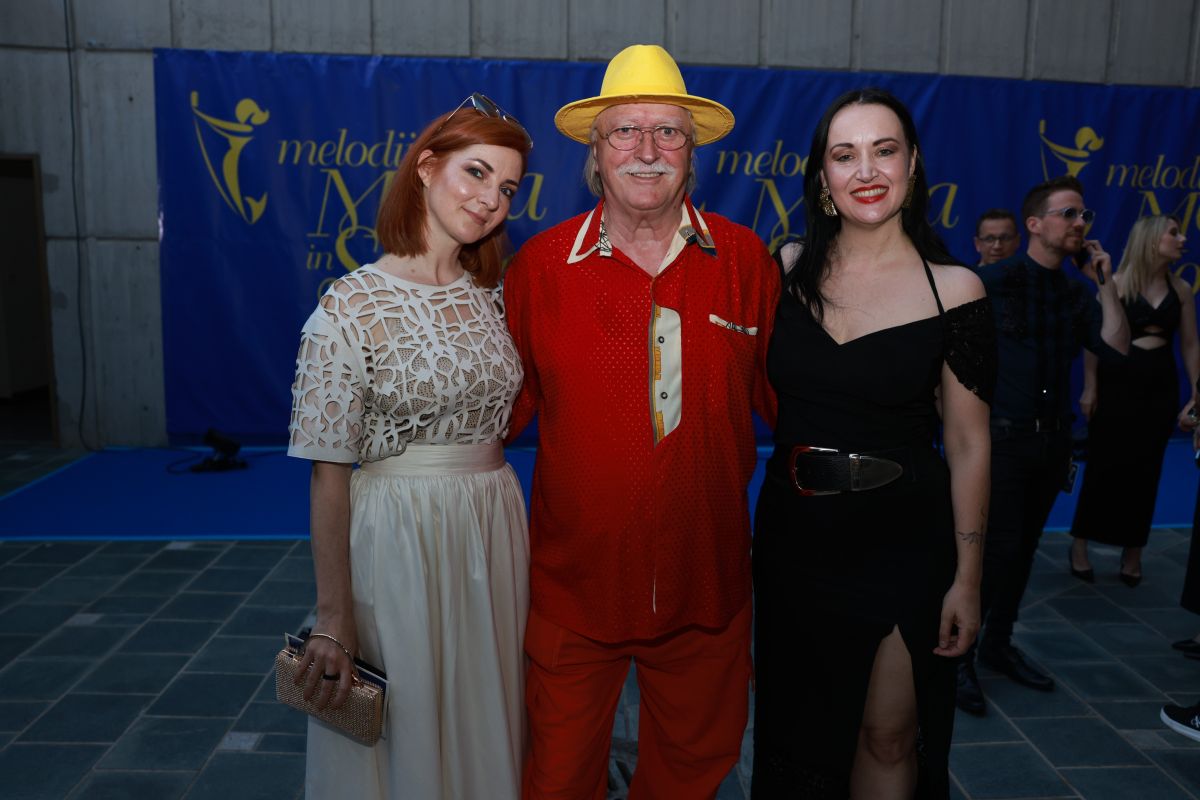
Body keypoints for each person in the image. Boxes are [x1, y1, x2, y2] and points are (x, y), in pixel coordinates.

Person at [503, 44, 778, 798]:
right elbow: (493, 417)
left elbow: (798, 402)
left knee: (693, 774)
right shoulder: (540, 268)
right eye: (625, 130)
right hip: (575, 592)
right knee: (555, 781)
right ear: (595, 152)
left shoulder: (745, 261)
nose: (647, 150)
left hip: (706, 589)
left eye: (668, 132)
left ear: (692, 153)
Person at [286, 94, 533, 800]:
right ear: (426, 167)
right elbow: (328, 474)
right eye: (476, 172)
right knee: (410, 724)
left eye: (507, 188)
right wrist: (334, 616)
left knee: (485, 716)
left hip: (492, 530)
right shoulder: (349, 307)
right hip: (399, 540)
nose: (490, 199)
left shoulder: (494, 296)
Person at [751, 87, 994, 799]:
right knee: (801, 733)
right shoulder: (784, 269)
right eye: (844, 154)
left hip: (903, 539)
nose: (866, 170)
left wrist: (969, 580)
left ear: (912, 165)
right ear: (822, 175)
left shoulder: (956, 290)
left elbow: (969, 443)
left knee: (889, 734)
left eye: (884, 150)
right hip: (796, 538)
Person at [957, 175, 1130, 717]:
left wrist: (1105, 283)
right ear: (1035, 224)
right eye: (1069, 214)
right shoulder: (990, 281)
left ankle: (998, 643)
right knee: (994, 550)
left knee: (1025, 548)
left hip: (1053, 444)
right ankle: (960, 656)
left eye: (1084, 215)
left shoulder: (1077, 293)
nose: (1081, 223)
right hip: (1002, 442)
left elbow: (1116, 349)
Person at [1069, 215, 1196, 584]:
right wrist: (1090, 387)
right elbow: (1095, 341)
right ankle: (1080, 544)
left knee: (1147, 469)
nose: (1182, 239)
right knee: (1103, 465)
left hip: (1160, 386)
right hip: (1117, 384)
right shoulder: (1117, 283)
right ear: (1151, 239)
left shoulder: (1181, 289)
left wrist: (1197, 391)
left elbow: (1190, 344)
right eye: (1173, 233)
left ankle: (1133, 551)